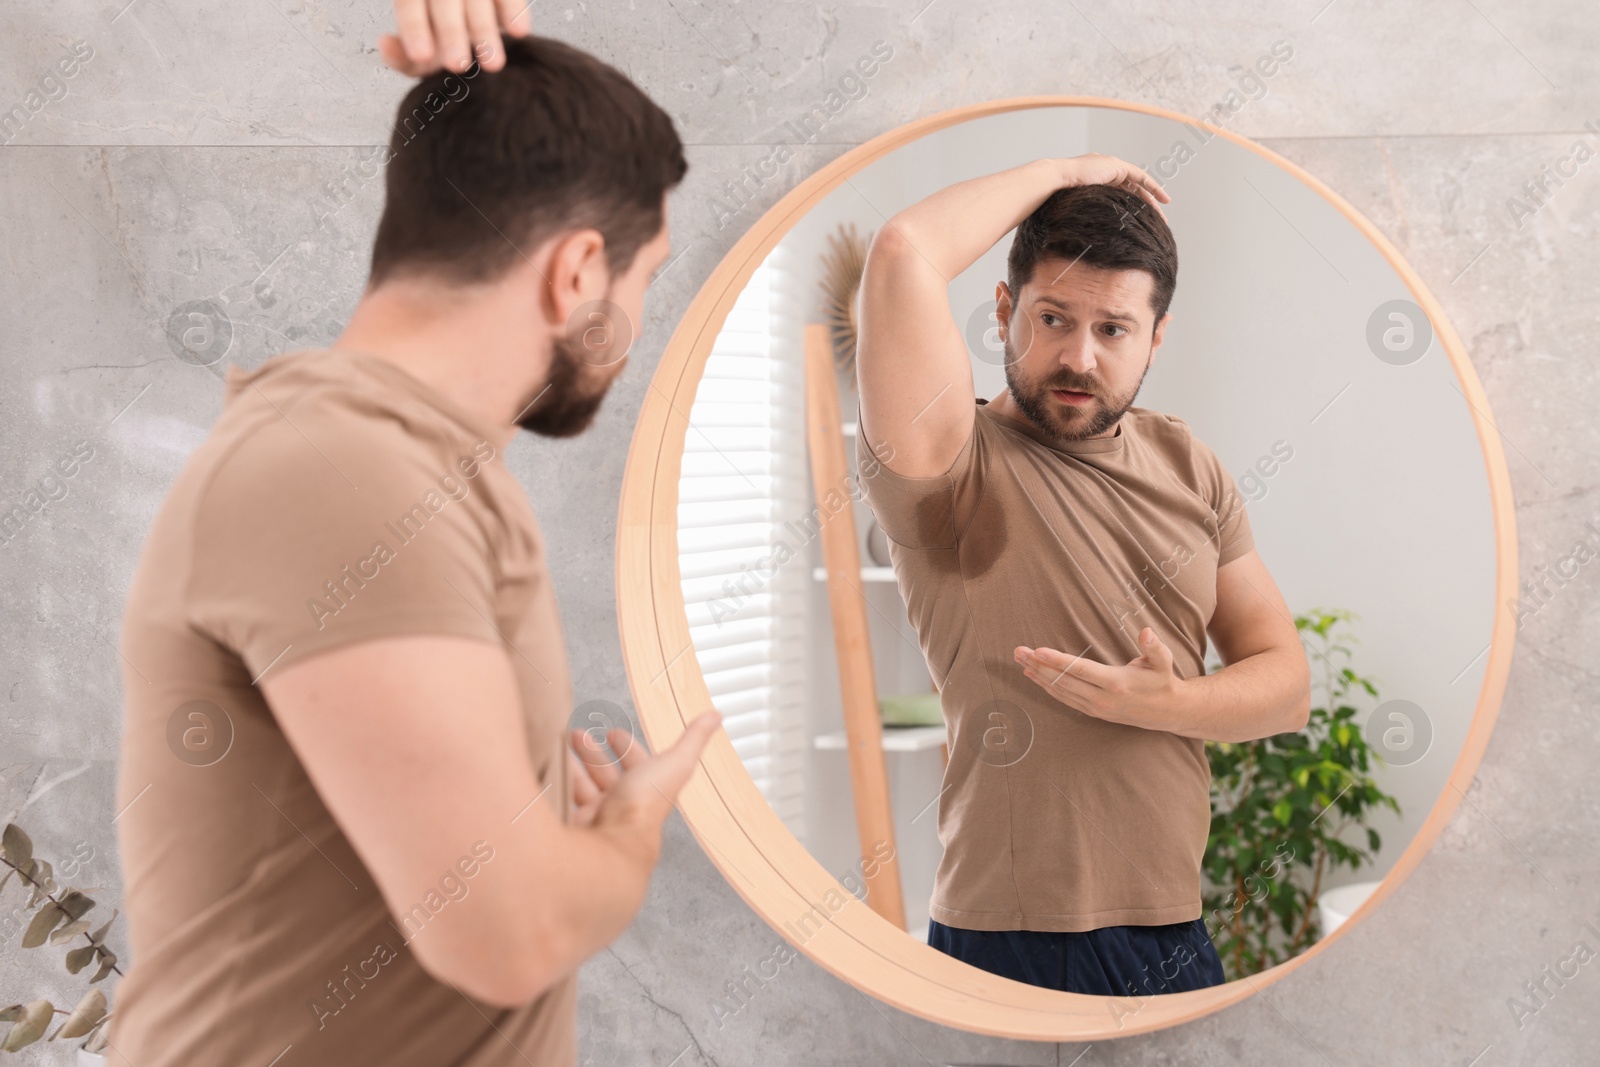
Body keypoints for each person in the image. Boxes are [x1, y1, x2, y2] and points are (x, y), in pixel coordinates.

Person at [111, 24, 719, 1066]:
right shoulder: (341, 470)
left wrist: (535, 827)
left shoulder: (408, 467)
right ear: (578, 269)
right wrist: (627, 832)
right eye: (645, 274)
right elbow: (506, 930)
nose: (639, 317)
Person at [853, 156, 1312, 997]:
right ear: (1003, 309)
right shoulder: (950, 461)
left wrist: (1171, 705)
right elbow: (902, 250)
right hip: (1014, 941)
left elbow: (1285, 685)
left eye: (1113, 329)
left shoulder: (1189, 463)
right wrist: (1064, 169)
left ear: (1156, 336)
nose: (1080, 358)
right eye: (1053, 317)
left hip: (1175, 927)